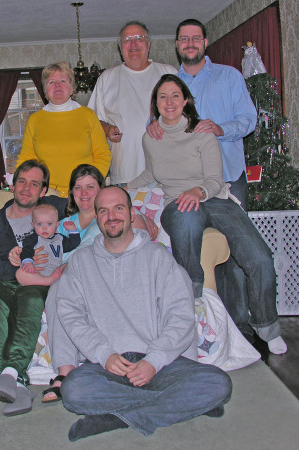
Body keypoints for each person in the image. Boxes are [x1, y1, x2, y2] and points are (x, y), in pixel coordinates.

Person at [56, 186, 232, 441]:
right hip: (109, 367)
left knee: (219, 384)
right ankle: (176, 404)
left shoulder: (159, 258)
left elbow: (181, 317)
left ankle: (117, 417)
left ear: (131, 213)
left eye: (118, 208)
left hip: (161, 364)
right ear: (96, 218)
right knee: (73, 391)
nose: (111, 216)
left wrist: (154, 360)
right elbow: (71, 315)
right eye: (103, 211)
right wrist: (104, 354)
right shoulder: (81, 262)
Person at [128, 74, 286, 355]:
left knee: (259, 256)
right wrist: (121, 188)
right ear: (155, 103)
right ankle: (193, 295)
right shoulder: (151, 138)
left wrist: (198, 192)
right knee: (187, 217)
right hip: (177, 204)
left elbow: (215, 180)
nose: (170, 101)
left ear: (186, 100)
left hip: (215, 199)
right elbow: (151, 174)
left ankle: (267, 326)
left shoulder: (202, 133)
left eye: (175, 95)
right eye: (162, 96)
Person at [146, 19, 258, 337]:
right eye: (184, 39)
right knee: (192, 248)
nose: (190, 43)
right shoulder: (168, 82)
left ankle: (239, 326)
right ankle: (201, 322)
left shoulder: (230, 76)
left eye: (196, 38)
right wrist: (151, 125)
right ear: (177, 45)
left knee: (235, 250)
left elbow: (248, 119)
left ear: (206, 42)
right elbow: (156, 121)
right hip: (184, 187)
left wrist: (222, 129)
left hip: (228, 179)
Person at [42, 164, 158, 403]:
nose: (84, 193)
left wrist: (142, 217)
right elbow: (45, 253)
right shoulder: (59, 226)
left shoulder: (110, 216)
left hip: (107, 277)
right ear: (71, 193)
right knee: (58, 289)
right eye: (78, 188)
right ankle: (65, 372)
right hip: (72, 280)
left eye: (90, 187)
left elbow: (137, 237)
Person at [0, 159, 67, 416]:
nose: (26, 188)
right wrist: (14, 268)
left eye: (34, 184)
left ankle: (10, 376)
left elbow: (93, 206)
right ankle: (18, 382)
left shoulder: (56, 212)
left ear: (44, 191)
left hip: (35, 286)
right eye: (21, 181)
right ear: (11, 185)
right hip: (2, 283)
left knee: (33, 303)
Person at [88, 21, 177, 185]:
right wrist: (107, 129)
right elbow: (90, 121)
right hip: (125, 176)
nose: (133, 44)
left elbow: (188, 114)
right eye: (127, 39)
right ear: (120, 48)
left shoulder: (169, 72)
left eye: (139, 38)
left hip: (167, 175)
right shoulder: (107, 78)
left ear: (148, 44)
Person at [16, 62, 111, 196]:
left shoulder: (88, 116)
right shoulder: (34, 120)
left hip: (83, 193)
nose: (57, 85)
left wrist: (90, 184)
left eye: (62, 81)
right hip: (47, 194)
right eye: (51, 82)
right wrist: (18, 182)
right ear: (45, 91)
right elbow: (27, 159)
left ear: (72, 88)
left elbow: (103, 155)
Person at [15, 204, 80, 286]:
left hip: (57, 270)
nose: (44, 228)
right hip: (37, 271)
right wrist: (28, 262)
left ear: (57, 225)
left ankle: (56, 281)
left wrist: (72, 230)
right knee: (20, 273)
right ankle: (47, 281)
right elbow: (26, 250)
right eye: (39, 224)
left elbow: (73, 244)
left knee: (68, 265)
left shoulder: (60, 238)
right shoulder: (33, 238)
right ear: (33, 225)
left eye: (49, 224)